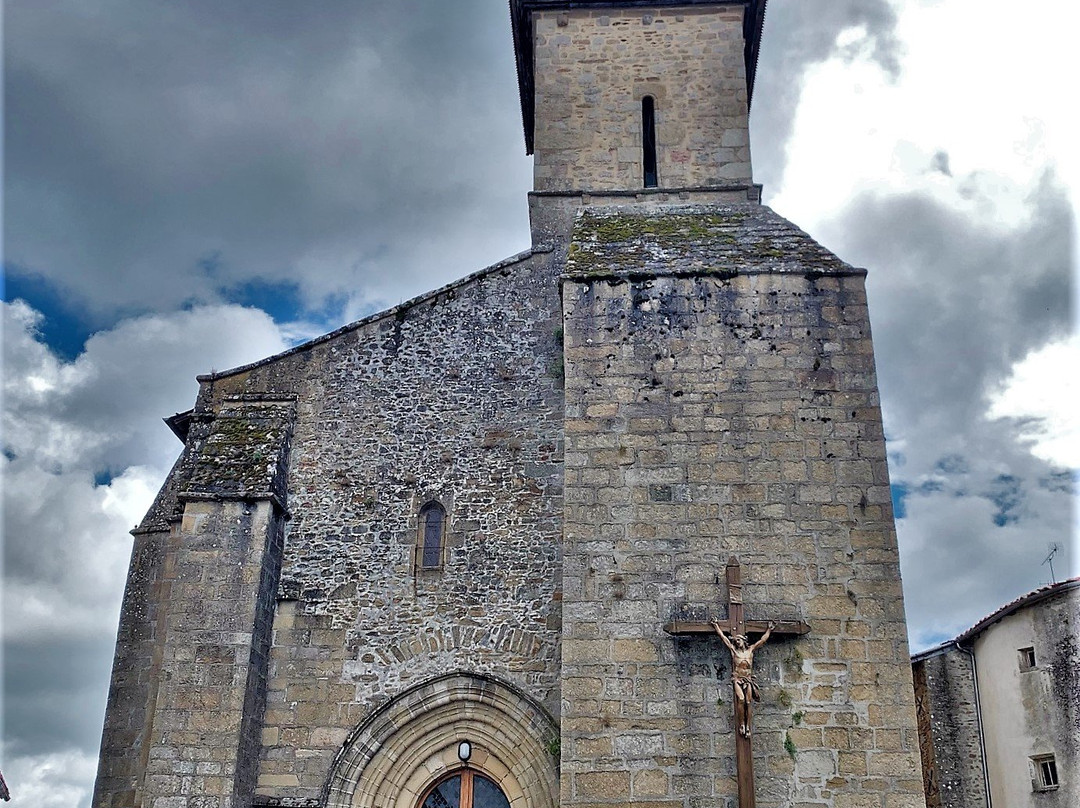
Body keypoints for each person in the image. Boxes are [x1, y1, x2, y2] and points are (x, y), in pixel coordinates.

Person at [712, 621, 775, 737]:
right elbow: (724, 638)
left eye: (739, 640)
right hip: (737, 679)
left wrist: (769, 630)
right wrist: (716, 626)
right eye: (736, 641)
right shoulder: (734, 651)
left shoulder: (750, 650)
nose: (737, 642)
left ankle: (748, 725)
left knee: (748, 701)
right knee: (741, 699)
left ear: (743, 641)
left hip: (748, 679)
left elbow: (762, 640)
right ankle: (741, 723)